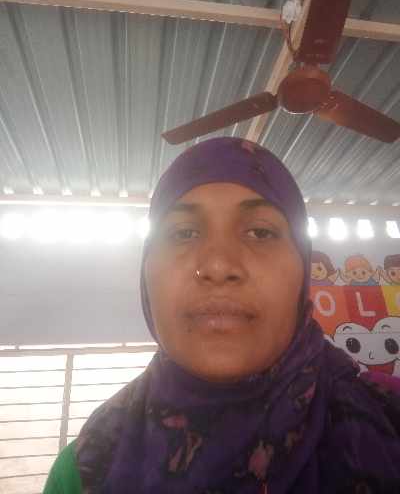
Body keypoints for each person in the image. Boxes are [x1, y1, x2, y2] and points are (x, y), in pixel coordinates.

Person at [44, 137, 400, 494]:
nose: (217, 265)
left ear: (303, 271)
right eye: (184, 233)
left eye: (260, 232)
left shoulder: (389, 420)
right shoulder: (82, 471)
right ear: (146, 274)